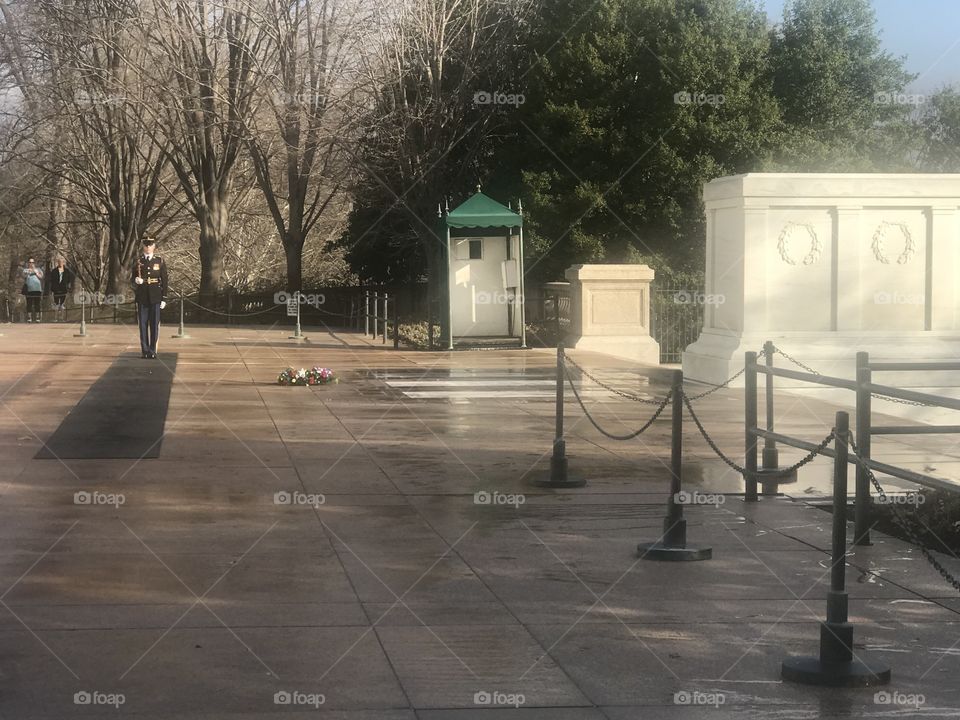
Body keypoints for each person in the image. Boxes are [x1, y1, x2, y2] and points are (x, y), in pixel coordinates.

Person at [132, 237, 168, 359]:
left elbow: (164, 280)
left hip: (155, 296)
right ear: (143, 247)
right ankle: (145, 350)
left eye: (150, 245)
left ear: (154, 246)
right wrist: (136, 280)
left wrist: (164, 298)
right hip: (142, 296)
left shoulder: (159, 261)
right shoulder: (138, 261)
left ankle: (152, 350)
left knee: (154, 324)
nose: (148, 247)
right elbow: (132, 278)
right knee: (142, 325)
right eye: (146, 245)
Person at [47, 256, 73, 322]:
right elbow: (51, 280)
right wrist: (51, 289)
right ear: (57, 263)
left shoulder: (67, 271)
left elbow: (69, 280)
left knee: (62, 305)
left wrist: (69, 288)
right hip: (56, 289)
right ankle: (55, 318)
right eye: (59, 262)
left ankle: (62, 318)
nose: (60, 263)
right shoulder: (54, 271)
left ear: (63, 263)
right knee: (56, 304)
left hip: (64, 289)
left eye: (61, 262)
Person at [21, 259, 44, 323]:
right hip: (29, 289)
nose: (31, 263)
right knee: (29, 304)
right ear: (28, 263)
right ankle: (29, 318)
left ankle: (37, 317)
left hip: (37, 289)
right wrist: (29, 272)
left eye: (32, 262)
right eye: (30, 262)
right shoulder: (25, 270)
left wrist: (35, 272)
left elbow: (41, 277)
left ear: (34, 263)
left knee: (37, 303)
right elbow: (24, 276)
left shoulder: (38, 269)